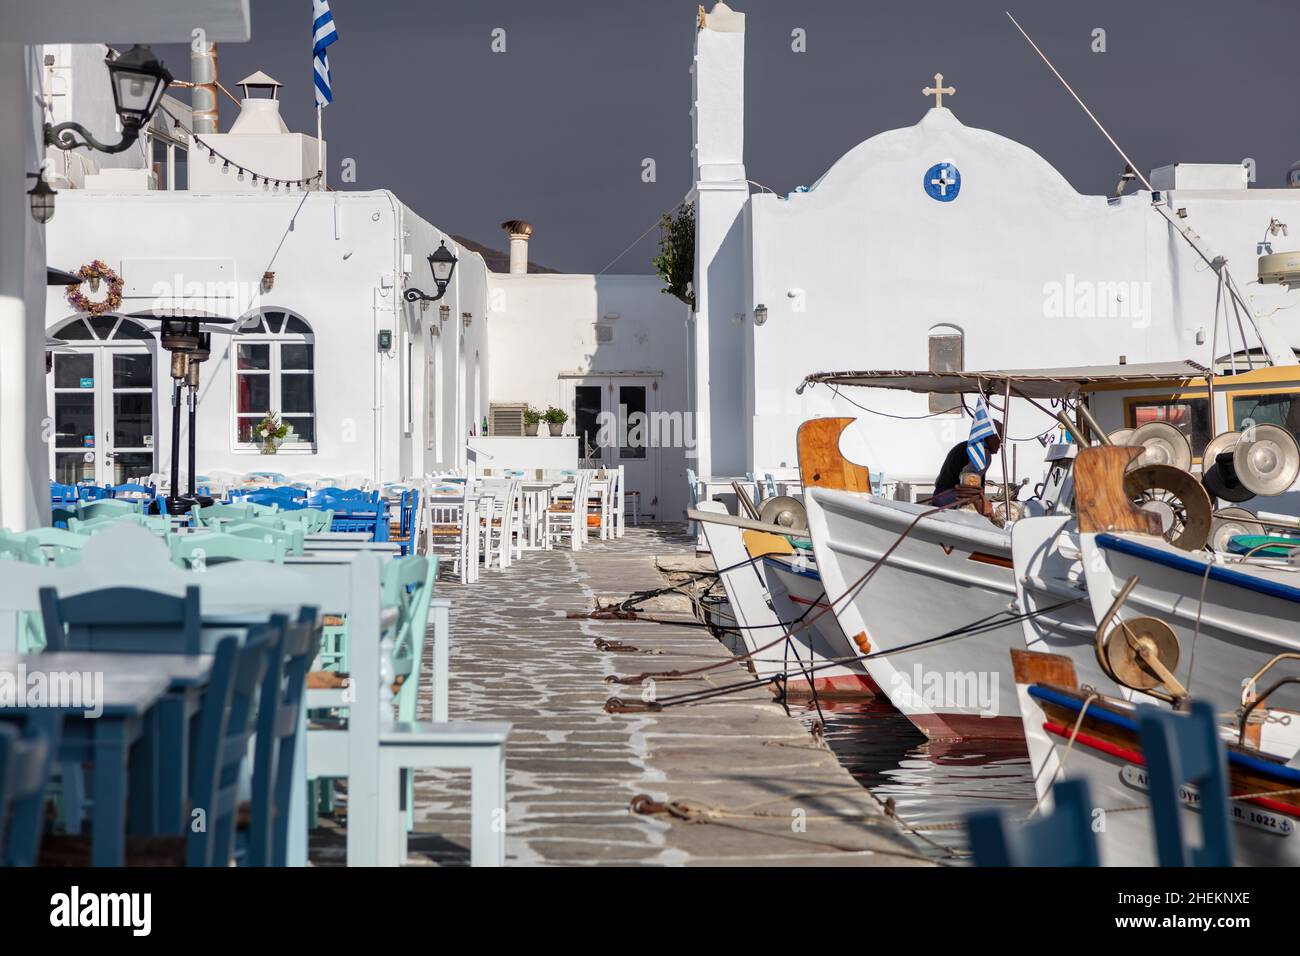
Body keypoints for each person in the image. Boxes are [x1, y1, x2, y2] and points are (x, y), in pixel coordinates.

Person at [931, 420, 1003, 515]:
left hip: (939, 496)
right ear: (991, 436)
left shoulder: (962, 446)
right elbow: (968, 484)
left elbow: (939, 480)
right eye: (1000, 437)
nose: (1001, 443)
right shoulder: (982, 454)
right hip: (952, 500)